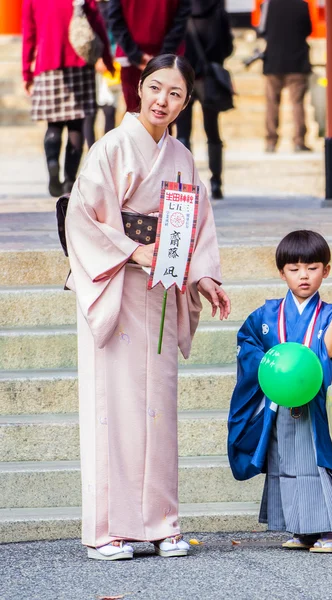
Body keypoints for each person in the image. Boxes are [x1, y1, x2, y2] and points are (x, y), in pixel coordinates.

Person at [65, 54, 231, 561]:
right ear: (139, 88)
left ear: (186, 101)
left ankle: (161, 523)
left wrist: (202, 274)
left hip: (162, 288)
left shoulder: (181, 155)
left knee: (159, 411)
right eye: (155, 88)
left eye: (175, 93)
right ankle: (106, 529)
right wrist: (131, 250)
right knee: (112, 409)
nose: (163, 100)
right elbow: (82, 216)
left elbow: (194, 222)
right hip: (114, 285)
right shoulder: (110, 148)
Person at [228, 230, 332, 554]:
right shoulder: (266, 316)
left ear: (326, 270)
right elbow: (247, 345)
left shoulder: (331, 313)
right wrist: (270, 365)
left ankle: (330, 530)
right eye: (294, 268)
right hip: (282, 406)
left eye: (313, 267)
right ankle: (301, 529)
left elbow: (327, 352)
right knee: (287, 465)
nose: (304, 275)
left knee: (319, 466)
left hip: (317, 408)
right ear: (281, 272)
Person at [22, 0, 114, 197]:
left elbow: (29, 35)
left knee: (53, 125)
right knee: (76, 125)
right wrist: (107, 59)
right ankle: (69, 182)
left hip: (48, 65)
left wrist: (26, 73)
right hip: (80, 64)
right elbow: (97, 25)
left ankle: (53, 164)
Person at [176, 0, 234, 200]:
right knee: (212, 130)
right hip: (209, 78)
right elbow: (228, 47)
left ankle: (184, 181)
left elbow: (174, 40)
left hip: (183, 76)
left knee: (183, 132)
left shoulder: (181, 9)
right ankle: (216, 182)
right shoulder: (218, 10)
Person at [108, 0, 191, 112]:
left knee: (137, 112)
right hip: (157, 55)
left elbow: (114, 17)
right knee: (162, 112)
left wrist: (136, 54)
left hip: (137, 55)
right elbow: (181, 18)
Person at [262, 0, 313, 153]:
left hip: (274, 61)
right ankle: (299, 141)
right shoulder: (302, 5)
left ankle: (271, 142)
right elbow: (307, 30)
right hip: (297, 61)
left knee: (272, 103)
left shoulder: (268, 5)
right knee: (297, 103)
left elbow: (262, 30)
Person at [83, 0, 121, 148]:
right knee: (89, 113)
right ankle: (92, 152)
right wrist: (97, 59)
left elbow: (118, 34)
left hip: (111, 64)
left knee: (110, 110)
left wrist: (109, 58)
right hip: (89, 65)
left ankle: (107, 151)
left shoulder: (114, 5)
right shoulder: (86, 7)